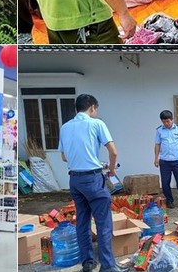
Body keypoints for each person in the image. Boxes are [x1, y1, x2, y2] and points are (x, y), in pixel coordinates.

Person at [59, 94, 123, 272]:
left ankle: (87, 263)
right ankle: (108, 265)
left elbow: (64, 157)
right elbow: (113, 151)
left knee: (82, 221)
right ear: (92, 108)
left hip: (75, 180)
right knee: (103, 223)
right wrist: (111, 169)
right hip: (93, 179)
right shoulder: (97, 123)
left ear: (75, 109)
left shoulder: (65, 127)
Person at [154, 110, 178, 209]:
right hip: (164, 161)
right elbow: (157, 145)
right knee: (165, 183)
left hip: (177, 161)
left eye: (168, 121)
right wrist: (156, 158)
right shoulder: (159, 131)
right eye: (164, 122)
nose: (166, 124)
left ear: (172, 119)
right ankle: (169, 201)